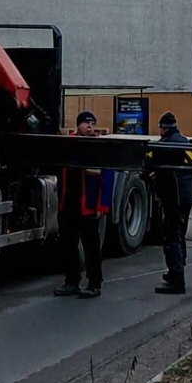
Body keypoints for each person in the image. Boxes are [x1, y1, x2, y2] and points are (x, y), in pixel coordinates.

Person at [53, 111, 115, 299]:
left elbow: (108, 178)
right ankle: (71, 282)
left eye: (92, 124)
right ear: (78, 125)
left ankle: (94, 283)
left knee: (91, 247)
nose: (90, 127)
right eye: (86, 123)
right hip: (68, 206)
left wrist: (102, 206)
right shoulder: (68, 144)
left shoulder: (99, 147)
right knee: (68, 245)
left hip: (88, 207)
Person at [148, 111, 192, 295]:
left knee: (171, 237)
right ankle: (176, 269)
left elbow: (156, 167)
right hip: (186, 197)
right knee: (180, 235)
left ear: (163, 128)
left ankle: (177, 279)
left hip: (173, 199)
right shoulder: (184, 141)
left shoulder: (165, 145)